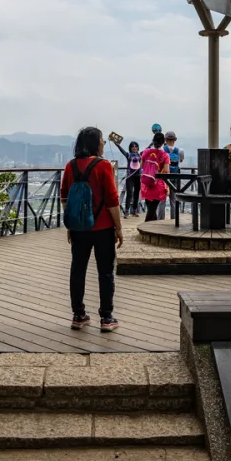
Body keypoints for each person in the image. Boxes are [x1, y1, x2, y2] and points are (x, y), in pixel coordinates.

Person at [61, 127, 124, 332]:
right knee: (105, 272)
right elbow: (112, 200)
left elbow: (64, 197)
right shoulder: (103, 165)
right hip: (103, 227)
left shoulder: (70, 166)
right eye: (102, 140)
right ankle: (106, 318)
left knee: (77, 270)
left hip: (79, 228)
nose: (104, 143)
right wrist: (119, 228)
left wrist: (72, 224)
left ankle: (78, 315)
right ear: (96, 143)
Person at [139, 131, 171, 222]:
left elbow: (141, 165)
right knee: (152, 210)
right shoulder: (165, 155)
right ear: (163, 143)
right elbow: (166, 171)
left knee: (151, 209)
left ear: (153, 141)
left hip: (146, 183)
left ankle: (153, 228)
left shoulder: (146, 152)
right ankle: (145, 229)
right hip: (158, 185)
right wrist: (167, 186)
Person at [111, 138, 143, 216]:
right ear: (130, 148)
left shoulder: (140, 155)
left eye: (136, 146)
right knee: (129, 193)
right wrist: (117, 144)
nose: (134, 147)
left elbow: (148, 148)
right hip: (130, 177)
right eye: (133, 146)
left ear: (138, 148)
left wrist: (153, 142)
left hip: (138, 176)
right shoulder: (128, 155)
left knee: (136, 194)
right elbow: (122, 151)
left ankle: (134, 210)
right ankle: (127, 210)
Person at [162, 131, 185, 217]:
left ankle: (160, 220)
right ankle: (174, 220)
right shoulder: (180, 151)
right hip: (175, 178)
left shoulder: (162, 150)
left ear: (165, 139)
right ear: (175, 139)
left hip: (164, 178)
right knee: (174, 201)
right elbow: (181, 160)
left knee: (162, 201)